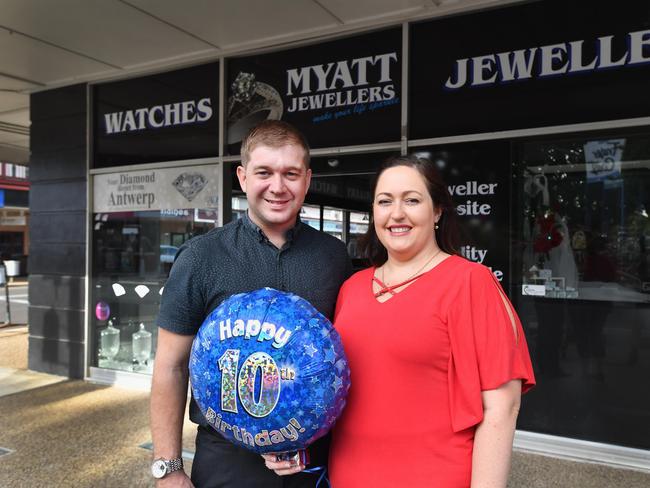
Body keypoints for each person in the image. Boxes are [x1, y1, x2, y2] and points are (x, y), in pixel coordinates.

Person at [150, 120, 352, 487]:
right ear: (242, 177)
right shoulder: (201, 257)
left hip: (314, 463)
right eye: (264, 172)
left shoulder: (334, 257)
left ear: (307, 180)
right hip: (228, 462)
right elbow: (170, 367)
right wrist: (169, 469)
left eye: (291, 173)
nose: (278, 186)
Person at [329, 155, 535, 487]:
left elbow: (502, 408)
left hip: (435, 475)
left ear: (437, 210)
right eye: (385, 201)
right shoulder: (351, 288)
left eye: (412, 200)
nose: (397, 213)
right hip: (348, 475)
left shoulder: (470, 283)